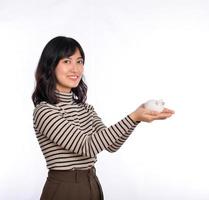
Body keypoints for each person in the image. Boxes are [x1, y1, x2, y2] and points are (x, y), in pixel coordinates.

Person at [32, 36, 174, 200]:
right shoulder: (45, 111)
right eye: (66, 61)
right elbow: (87, 146)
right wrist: (133, 116)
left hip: (92, 183)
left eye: (79, 61)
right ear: (50, 66)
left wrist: (137, 118)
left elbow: (112, 144)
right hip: (65, 189)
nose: (75, 69)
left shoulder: (85, 108)